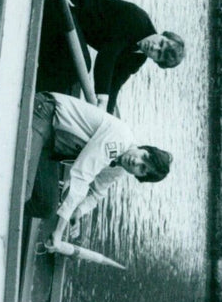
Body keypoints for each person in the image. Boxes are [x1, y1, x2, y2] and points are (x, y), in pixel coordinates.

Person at [25, 90, 172, 249]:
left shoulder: (118, 169)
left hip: (51, 145)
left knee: (46, 207)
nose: (135, 161)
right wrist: (59, 231)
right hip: (45, 112)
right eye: (144, 156)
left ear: (139, 177)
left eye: (142, 168)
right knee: (24, 186)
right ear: (144, 148)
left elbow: (96, 194)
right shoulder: (120, 139)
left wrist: (78, 211)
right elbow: (82, 174)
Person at [38, 0, 185, 114]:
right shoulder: (137, 21)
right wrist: (102, 98)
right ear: (163, 34)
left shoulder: (137, 59)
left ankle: (40, 93)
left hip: (71, 29)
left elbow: (115, 82)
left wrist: (108, 113)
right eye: (161, 43)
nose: (154, 47)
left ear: (155, 61)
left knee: (75, 68)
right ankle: (39, 88)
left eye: (158, 54)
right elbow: (107, 56)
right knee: (82, 65)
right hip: (65, 7)